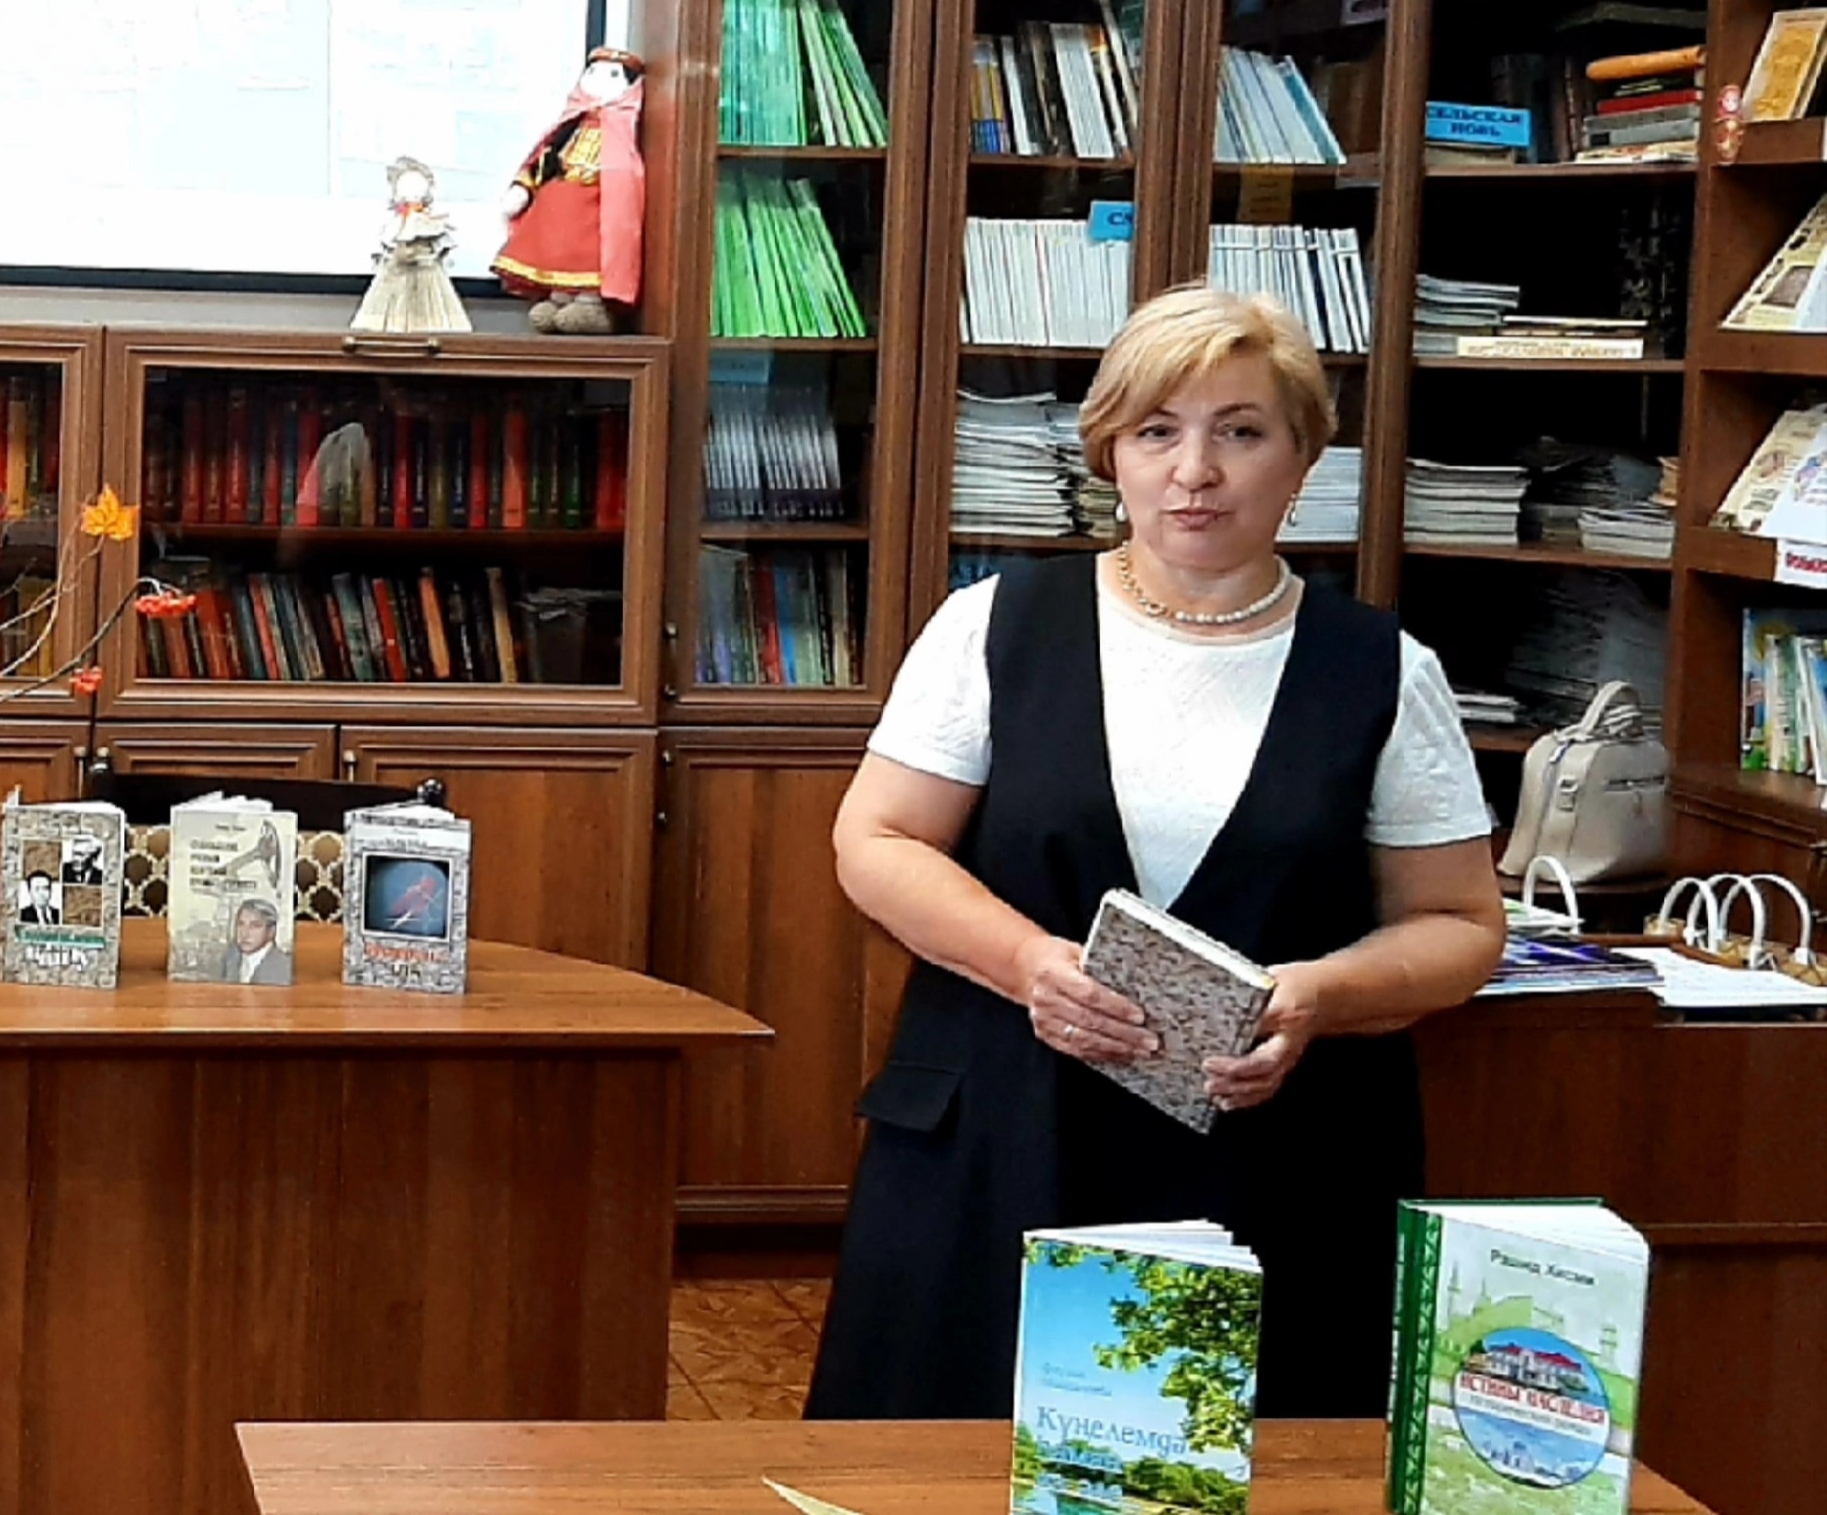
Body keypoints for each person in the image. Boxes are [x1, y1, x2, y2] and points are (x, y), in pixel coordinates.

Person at [804, 286, 1506, 1423]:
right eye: (1156, 431)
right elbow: (876, 840)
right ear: (1110, 455)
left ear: (1302, 457)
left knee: (1246, 1475)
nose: (1195, 472)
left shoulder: (1382, 669)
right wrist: (1030, 964)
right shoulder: (994, 625)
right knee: (948, 1465)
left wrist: (1318, 994)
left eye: (1241, 431)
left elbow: (1461, 926)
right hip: (1001, 1138)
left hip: (1277, 1166)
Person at [492, 47, 645, 318]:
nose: (599, 80)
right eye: (592, 72)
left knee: (590, 253)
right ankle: (558, 298)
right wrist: (522, 188)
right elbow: (542, 159)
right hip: (558, 206)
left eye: (612, 75)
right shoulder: (571, 124)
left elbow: (626, 174)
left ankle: (590, 305)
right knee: (554, 249)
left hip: (594, 208)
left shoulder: (623, 127)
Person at [222, 898, 293, 986]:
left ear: (271, 931)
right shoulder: (229, 959)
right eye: (241, 924)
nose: (244, 933)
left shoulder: (286, 968)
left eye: (255, 926)